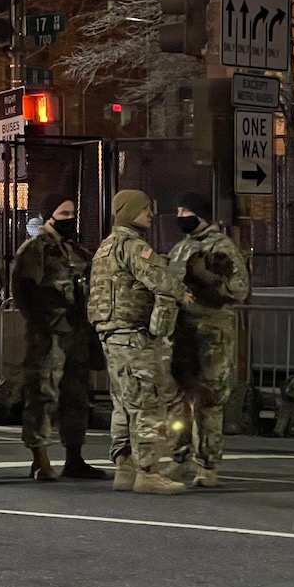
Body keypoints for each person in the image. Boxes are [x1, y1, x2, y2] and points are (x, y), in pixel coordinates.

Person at [87, 189, 192, 496]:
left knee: (123, 402)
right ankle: (148, 471)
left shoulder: (106, 247)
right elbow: (159, 278)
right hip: (134, 335)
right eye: (145, 209)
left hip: (112, 335)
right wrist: (180, 293)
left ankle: (125, 466)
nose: (150, 213)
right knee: (147, 401)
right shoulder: (133, 246)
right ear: (128, 212)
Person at [12, 192, 103, 480]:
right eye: (64, 214)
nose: (70, 219)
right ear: (49, 215)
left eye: (72, 213)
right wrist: (44, 319)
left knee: (75, 395)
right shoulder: (35, 249)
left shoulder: (73, 251)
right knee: (42, 395)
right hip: (48, 334)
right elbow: (23, 291)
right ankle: (40, 458)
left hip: (75, 333)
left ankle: (74, 457)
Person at [167, 192, 250, 486]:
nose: (180, 215)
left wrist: (215, 280)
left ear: (201, 214)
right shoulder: (181, 248)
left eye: (185, 210)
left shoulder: (222, 247)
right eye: (178, 209)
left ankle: (207, 464)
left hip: (212, 332)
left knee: (208, 399)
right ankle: (181, 457)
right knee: (179, 398)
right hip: (183, 332)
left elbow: (239, 290)